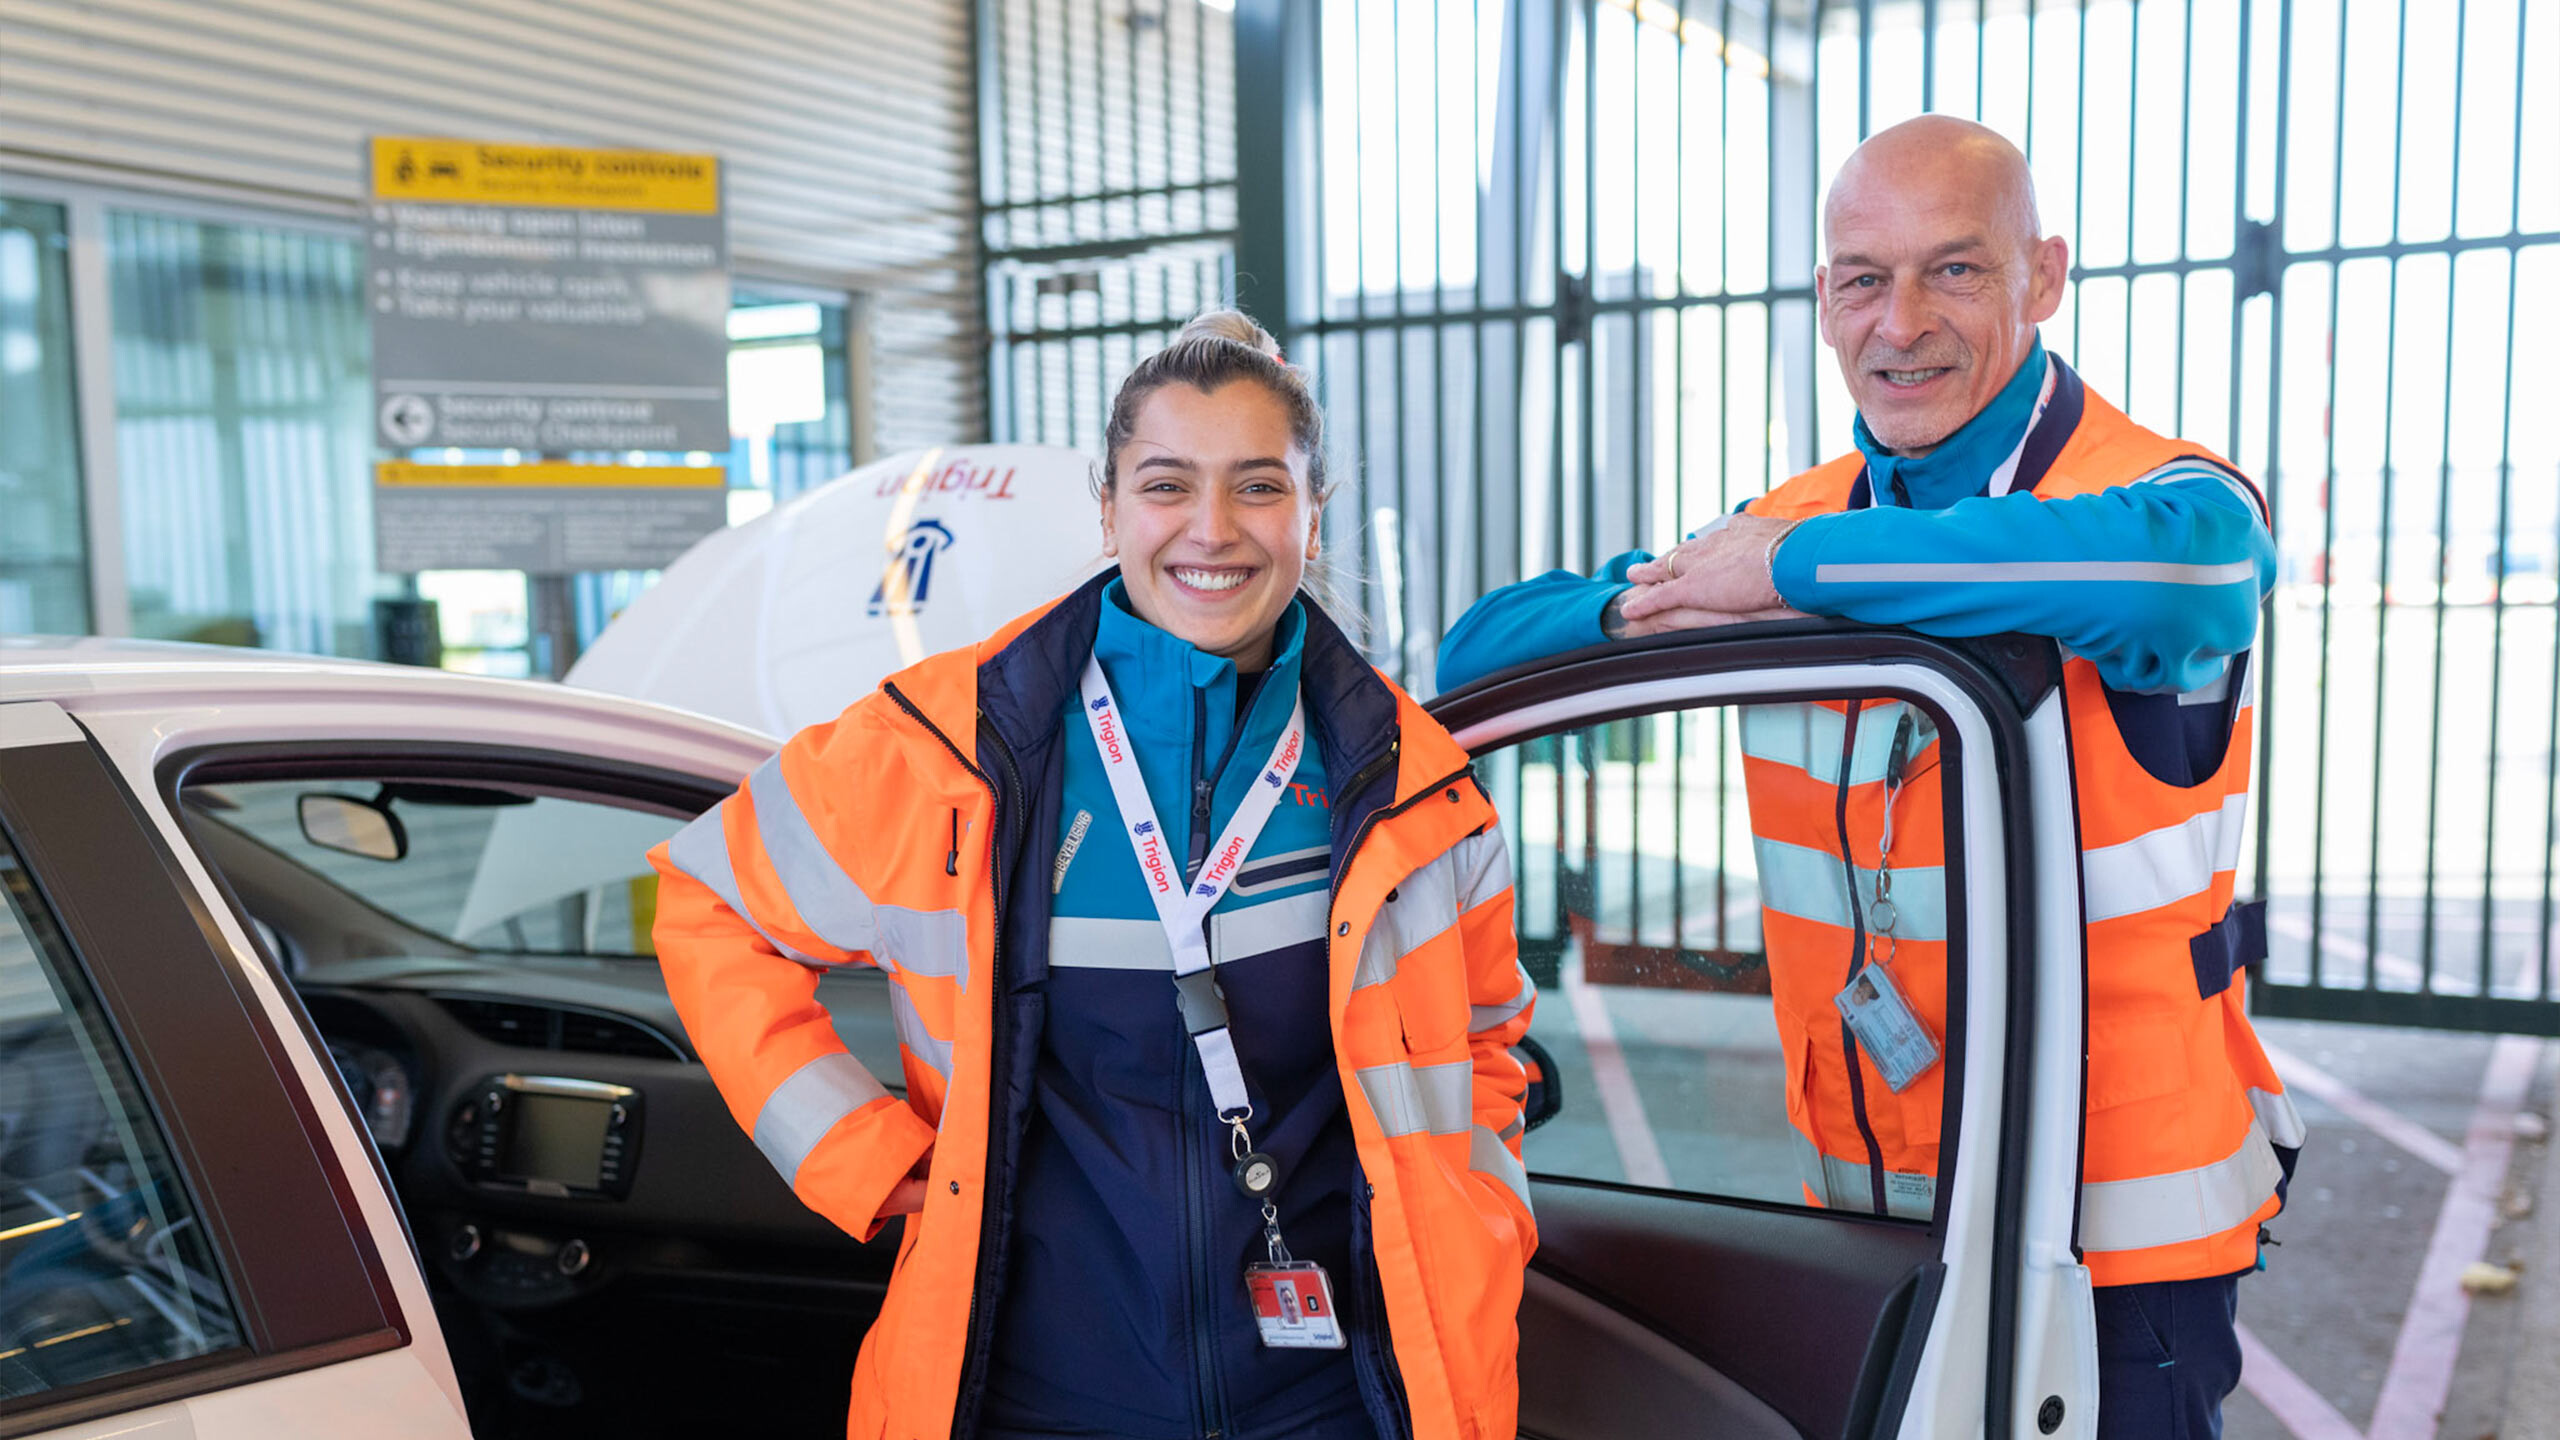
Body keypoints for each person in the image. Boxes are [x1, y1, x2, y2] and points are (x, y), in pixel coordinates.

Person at [1439, 115, 2302, 1439]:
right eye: (1860, 277)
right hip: (1875, 1211)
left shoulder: (2157, 499)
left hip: (2112, 1244)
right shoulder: (1794, 515)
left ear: (2045, 276)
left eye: (1954, 270)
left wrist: (1787, 577)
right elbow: (1476, 654)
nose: (1898, 323)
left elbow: (2187, 573)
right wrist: (1645, 608)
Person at [652, 311, 1538, 1440]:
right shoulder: (942, 746)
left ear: (1312, 519)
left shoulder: (1413, 781)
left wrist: (1478, 1219)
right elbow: (711, 903)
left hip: (1342, 1395)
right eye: (1166, 484)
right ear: (1108, 506)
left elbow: (1486, 1039)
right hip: (1034, 1391)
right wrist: (853, 1152)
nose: (1211, 530)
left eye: (1259, 486)